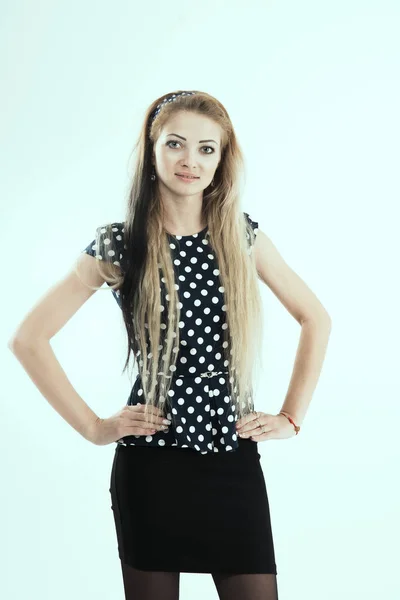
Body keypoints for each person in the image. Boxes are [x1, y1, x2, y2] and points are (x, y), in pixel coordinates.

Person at [8, 90, 332, 600]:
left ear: (222, 160)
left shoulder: (241, 238)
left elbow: (316, 317)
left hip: (232, 460)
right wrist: (95, 427)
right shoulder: (120, 245)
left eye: (207, 149)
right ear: (153, 149)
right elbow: (28, 339)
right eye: (176, 144)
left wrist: (291, 417)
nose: (190, 160)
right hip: (152, 468)